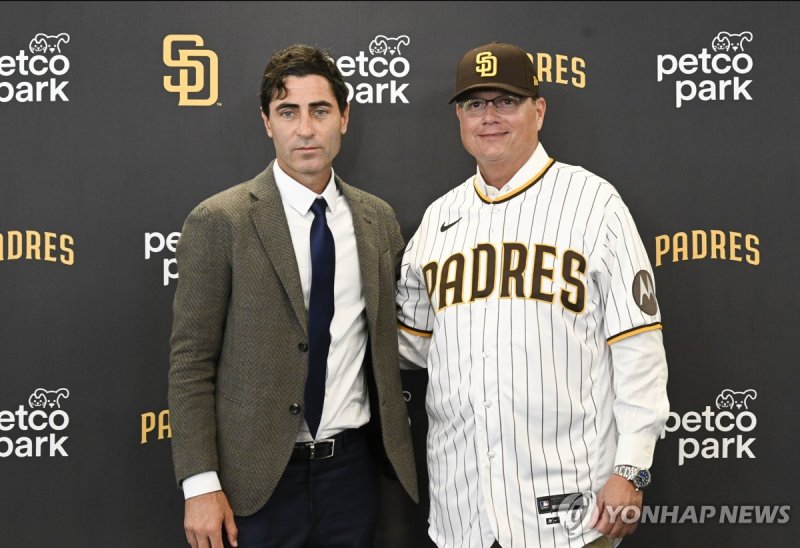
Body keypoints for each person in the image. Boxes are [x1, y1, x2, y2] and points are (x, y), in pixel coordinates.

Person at [397, 42, 669, 548]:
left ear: (538, 111)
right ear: (459, 117)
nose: (489, 117)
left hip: (571, 507)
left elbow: (638, 348)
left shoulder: (594, 204)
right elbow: (411, 345)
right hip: (463, 511)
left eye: (506, 101)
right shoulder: (437, 220)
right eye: (474, 104)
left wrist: (631, 468)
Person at [169, 44, 417, 548]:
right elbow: (191, 362)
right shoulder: (220, 220)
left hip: (352, 475)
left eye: (319, 111)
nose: (305, 129)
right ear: (267, 122)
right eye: (288, 112)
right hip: (253, 482)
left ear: (344, 118)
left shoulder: (377, 220)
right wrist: (199, 484)